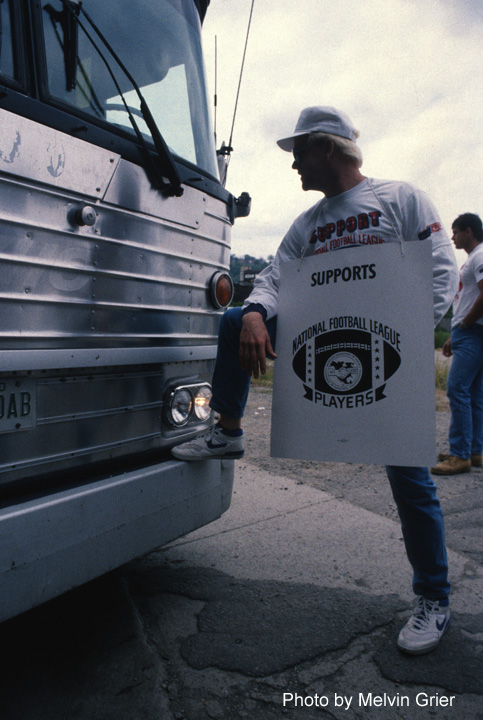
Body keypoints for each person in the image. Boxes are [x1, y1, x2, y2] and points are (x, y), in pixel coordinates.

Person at [172, 106, 459, 654]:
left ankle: (434, 597)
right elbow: (274, 277)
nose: (294, 165)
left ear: (328, 148)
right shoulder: (308, 223)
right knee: (233, 318)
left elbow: (441, 270)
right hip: (322, 340)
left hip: (384, 351)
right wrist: (255, 312)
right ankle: (227, 430)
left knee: (410, 479)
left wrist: (404, 336)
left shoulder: (399, 198)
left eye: (300, 152)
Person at [431, 213, 483, 476]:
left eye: (455, 232)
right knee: (474, 393)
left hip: (472, 331)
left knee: (457, 390)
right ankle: (474, 451)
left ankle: (459, 455)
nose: (452, 237)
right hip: (469, 331)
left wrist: (465, 325)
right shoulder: (474, 258)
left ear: (469, 231)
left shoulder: (480, 256)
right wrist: (455, 334)